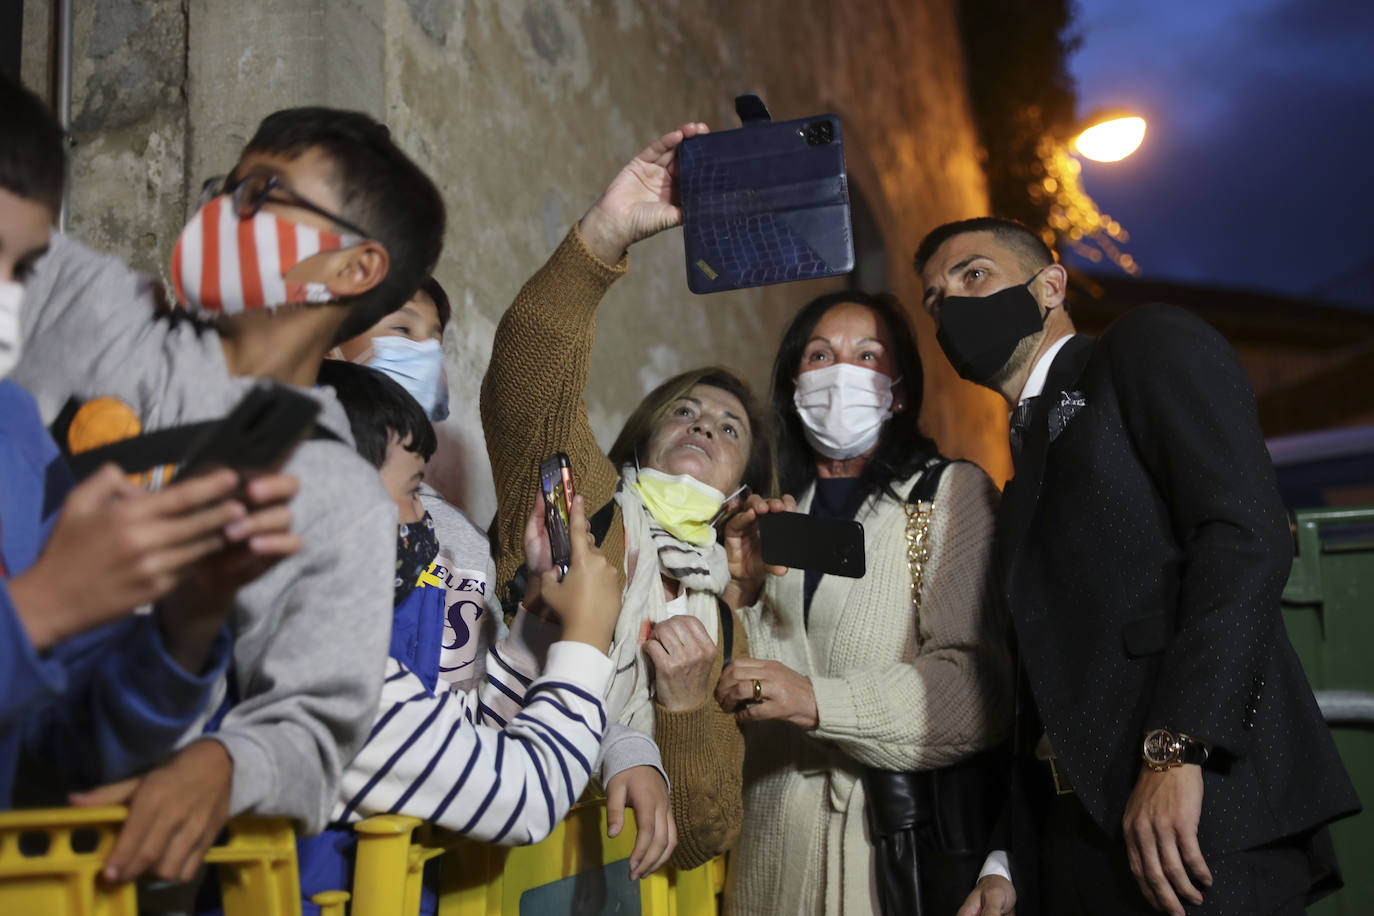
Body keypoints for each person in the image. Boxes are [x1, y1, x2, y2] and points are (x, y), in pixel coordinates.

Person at [14, 105, 446, 883]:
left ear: (353, 269)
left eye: (262, 193)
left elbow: (313, 726)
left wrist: (221, 765)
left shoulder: (340, 498)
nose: (221, 212)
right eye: (226, 187)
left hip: (76, 856)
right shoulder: (98, 311)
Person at [914, 218, 1361, 916]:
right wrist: (1006, 861)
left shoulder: (1141, 346)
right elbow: (1046, 682)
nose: (952, 306)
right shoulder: (1024, 460)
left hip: (1202, 816)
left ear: (1050, 286)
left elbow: (1244, 536)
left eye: (974, 275)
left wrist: (1177, 750)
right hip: (1082, 847)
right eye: (935, 299)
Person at [481, 123, 776, 874]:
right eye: (684, 411)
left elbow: (708, 830)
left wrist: (681, 709)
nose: (704, 424)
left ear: (742, 486)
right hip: (486, 849)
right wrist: (606, 233)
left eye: (729, 427)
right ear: (644, 438)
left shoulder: (725, 624)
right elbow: (527, 390)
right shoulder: (591, 509)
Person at [0, 72, 298, 809]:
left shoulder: (16, 434)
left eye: (25, 270)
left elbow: (60, 749)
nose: (9, 307)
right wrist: (38, 610)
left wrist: (186, 623)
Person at [282, 360, 623, 916]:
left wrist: (539, 620)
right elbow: (524, 800)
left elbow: (468, 746)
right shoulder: (331, 678)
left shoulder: (342, 635)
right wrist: (587, 639)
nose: (426, 517)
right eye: (413, 491)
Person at [713, 290, 1011, 914]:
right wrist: (740, 587)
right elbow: (732, 689)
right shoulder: (770, 510)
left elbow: (973, 691)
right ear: (795, 385)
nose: (841, 371)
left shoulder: (941, 498)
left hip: (883, 866)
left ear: (899, 391)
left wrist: (817, 699)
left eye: (868, 355)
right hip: (764, 862)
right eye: (820, 354)